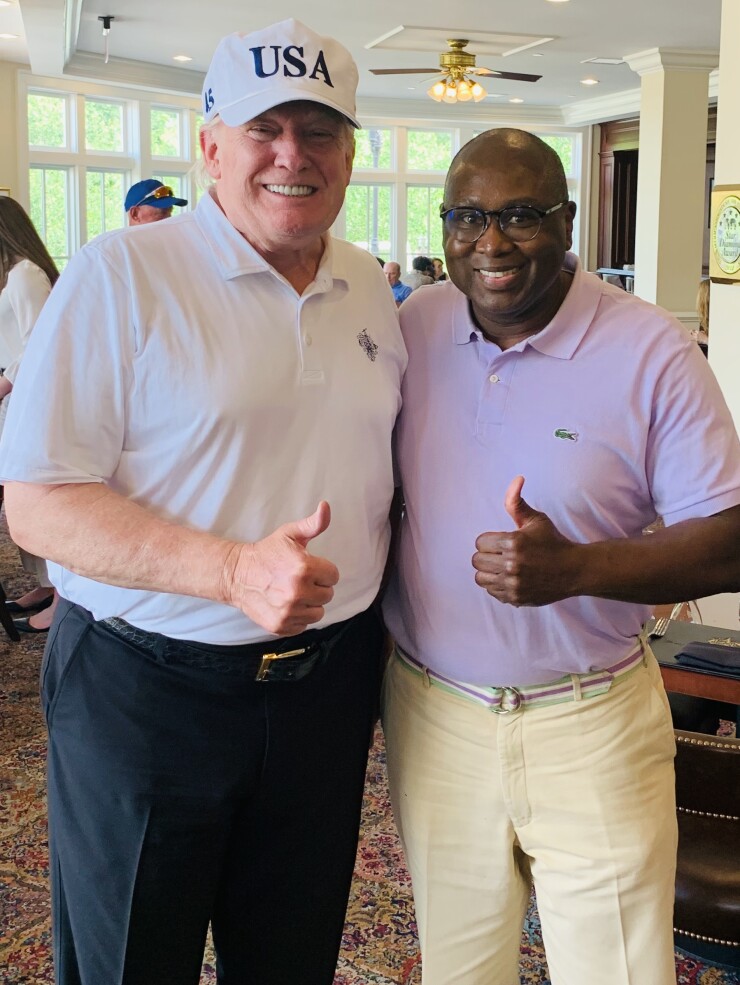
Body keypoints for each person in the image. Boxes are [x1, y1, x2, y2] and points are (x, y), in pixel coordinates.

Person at [0, 18, 405, 985]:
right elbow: (38, 505)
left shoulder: (369, 285)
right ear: (211, 147)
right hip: (148, 692)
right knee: (131, 961)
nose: (293, 155)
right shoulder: (119, 274)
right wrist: (229, 569)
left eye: (320, 130)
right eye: (265, 128)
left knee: (291, 958)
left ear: (351, 154)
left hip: (327, 693)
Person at [382, 128, 740, 985]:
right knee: (458, 970)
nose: (491, 242)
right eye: (467, 217)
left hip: (591, 723)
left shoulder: (651, 350)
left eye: (521, 215)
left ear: (568, 221)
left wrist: (573, 570)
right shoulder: (413, 326)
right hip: (433, 715)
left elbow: (730, 539)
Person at [0, 196, 59, 631]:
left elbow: (40, 344)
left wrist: (4, 384)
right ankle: (44, 585)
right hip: (11, 393)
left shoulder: (26, 275)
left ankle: (60, 588)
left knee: (30, 491)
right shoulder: (11, 275)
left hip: (23, 396)